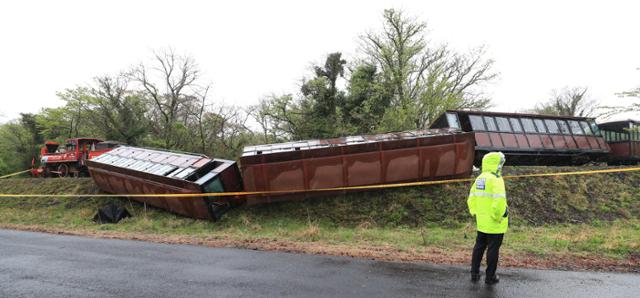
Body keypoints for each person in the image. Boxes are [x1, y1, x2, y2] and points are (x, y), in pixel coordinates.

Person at [467, 152, 509, 285]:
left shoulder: (480, 178)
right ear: (496, 164)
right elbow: (499, 201)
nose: (501, 166)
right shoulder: (496, 179)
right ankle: (490, 277)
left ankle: (474, 273)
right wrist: (498, 217)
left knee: (479, 246)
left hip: (482, 221)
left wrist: (475, 213)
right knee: (493, 248)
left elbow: (471, 198)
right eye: (500, 163)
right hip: (495, 222)